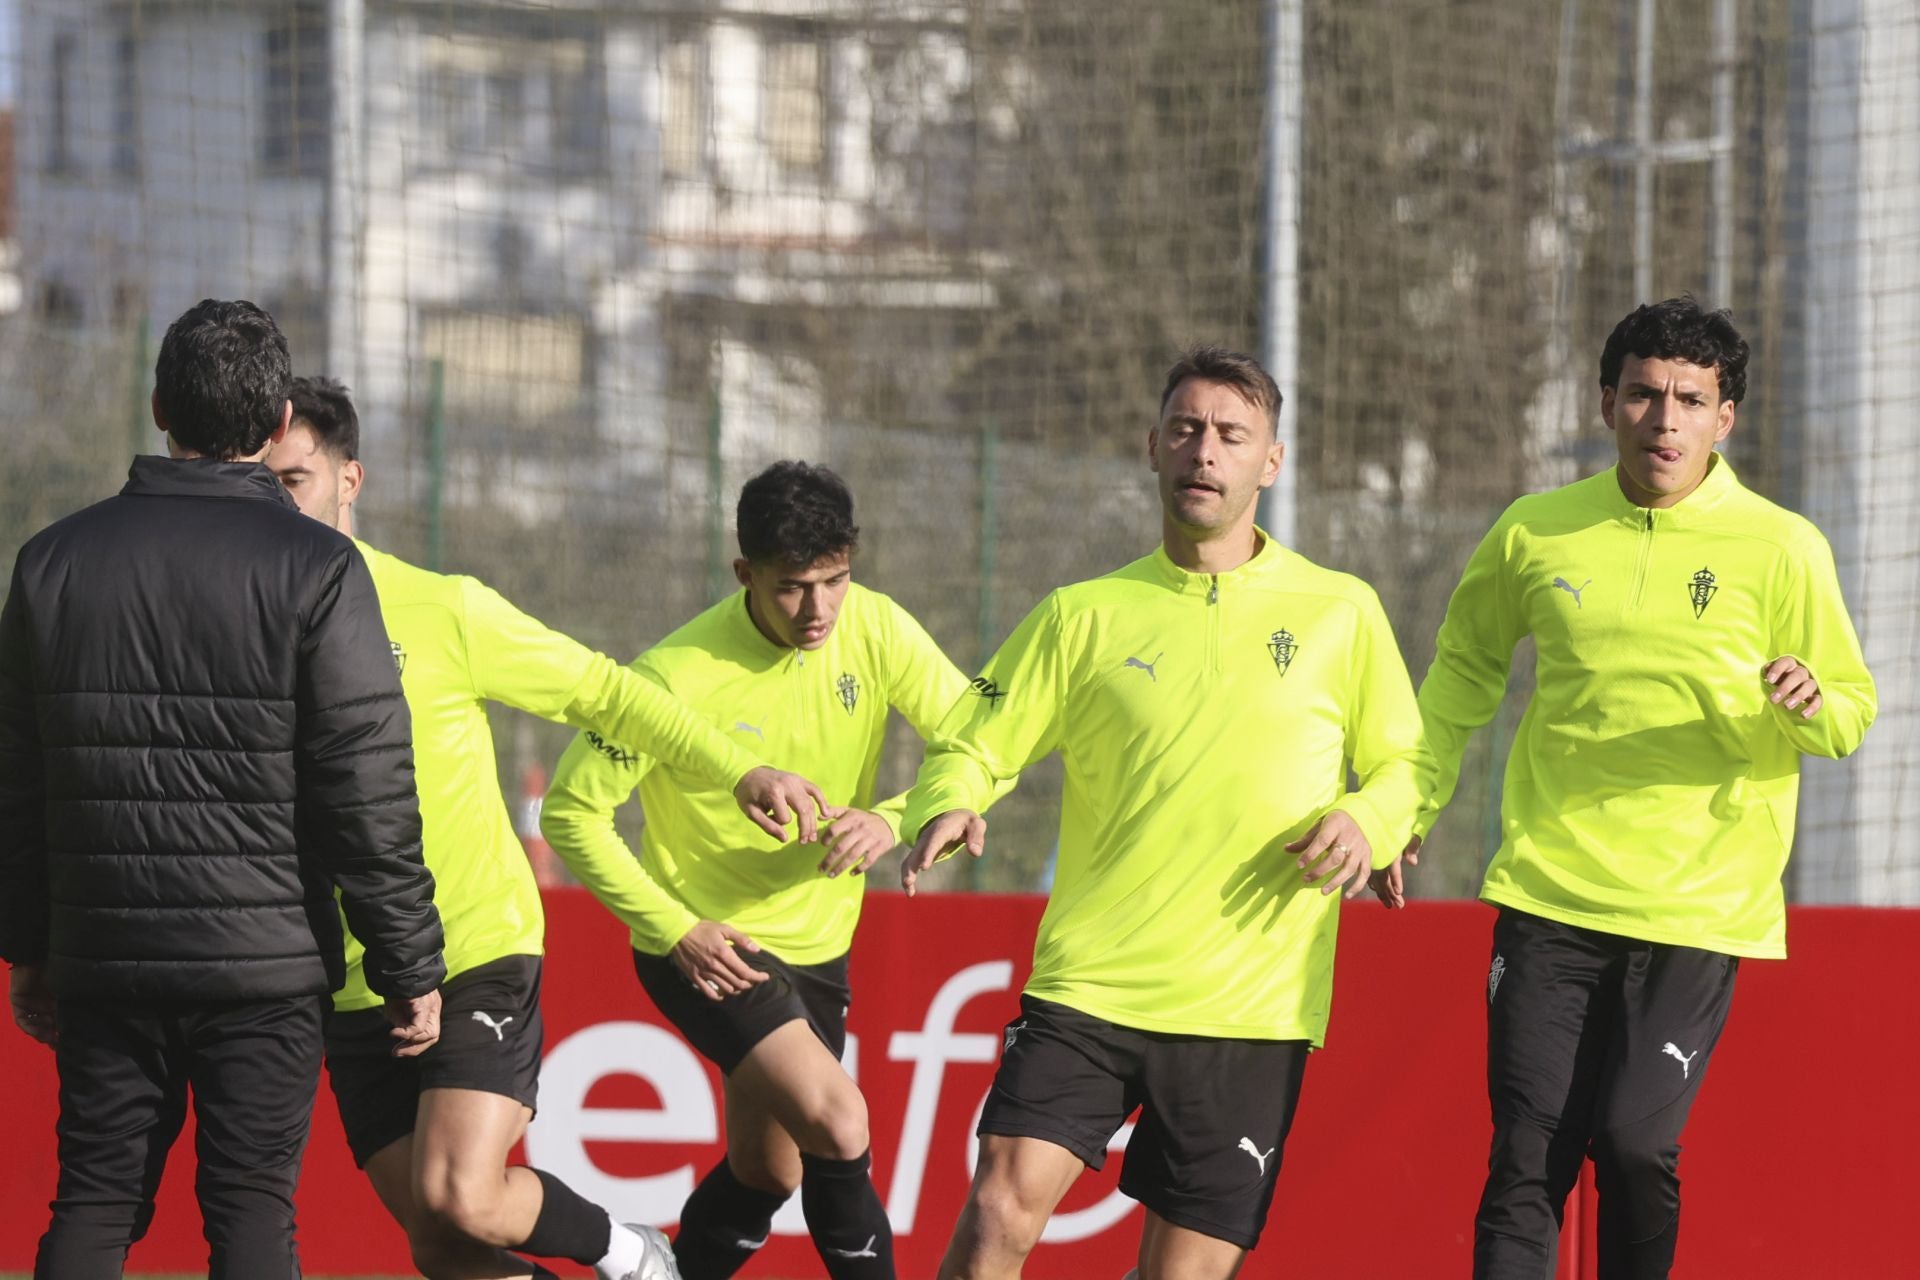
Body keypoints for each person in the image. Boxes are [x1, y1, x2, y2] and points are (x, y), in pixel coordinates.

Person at [269, 377, 829, 1280]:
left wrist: (740, 769)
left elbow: (608, 691)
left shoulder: (441, 609)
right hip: (345, 982)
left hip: (473, 946)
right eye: (258, 481)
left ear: (350, 480)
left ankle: (627, 1247)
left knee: (464, 1195)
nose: (275, 502)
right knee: (445, 1246)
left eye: (293, 479)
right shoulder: (239, 627)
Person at [898, 346, 1425, 1280]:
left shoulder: (1343, 612)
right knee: (995, 1221)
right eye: (1185, 430)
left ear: (1272, 461)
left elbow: (1403, 765)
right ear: (1152, 447)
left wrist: (1367, 822)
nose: (1204, 452)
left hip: (1251, 1007)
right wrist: (952, 801)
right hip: (1090, 987)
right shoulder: (1081, 615)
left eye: (1231, 434)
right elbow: (974, 743)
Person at [1378, 297, 1877, 1279]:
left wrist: (1810, 699)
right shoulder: (1536, 531)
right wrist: (1407, 804)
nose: (1666, 419)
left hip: (1696, 906)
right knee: (1526, 1160)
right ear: (1607, 402)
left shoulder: (1784, 548)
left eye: (1691, 399)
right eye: (1645, 394)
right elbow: (1463, 672)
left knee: (1636, 1145)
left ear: (1724, 417)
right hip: (1549, 891)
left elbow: (1851, 712)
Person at [0, 300, 445, 1280]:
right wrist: (408, 958)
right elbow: (366, 781)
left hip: (106, 955)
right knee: (249, 1211)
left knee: (95, 1199)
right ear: (278, 418)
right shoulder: (320, 568)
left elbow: (20, 787)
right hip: (267, 965)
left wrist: (29, 948)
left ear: (159, 407)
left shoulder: (52, 563)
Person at [542, 460, 1001, 1280]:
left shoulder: (879, 627)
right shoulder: (674, 676)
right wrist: (671, 927)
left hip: (819, 944)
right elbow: (571, 811)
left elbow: (977, 742)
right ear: (744, 573)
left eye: (836, 581)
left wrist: (893, 818)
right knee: (840, 1120)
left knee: (769, 1171)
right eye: (793, 587)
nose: (819, 608)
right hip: (708, 948)